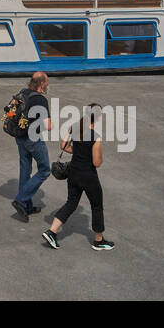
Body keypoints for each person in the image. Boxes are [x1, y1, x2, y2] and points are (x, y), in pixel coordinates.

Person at [43, 103, 115, 250]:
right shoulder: (96, 137)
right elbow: (96, 162)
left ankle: (52, 232)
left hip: (73, 172)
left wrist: (77, 153)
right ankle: (98, 241)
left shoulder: (74, 127)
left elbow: (64, 146)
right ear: (99, 117)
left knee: (71, 203)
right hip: (88, 176)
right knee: (97, 206)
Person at [11, 72, 51, 221]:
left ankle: (26, 206)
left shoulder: (24, 92)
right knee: (45, 170)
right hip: (33, 139)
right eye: (47, 82)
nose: (47, 84)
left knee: (25, 168)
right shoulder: (40, 99)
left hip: (20, 136)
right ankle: (21, 199)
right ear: (41, 84)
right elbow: (48, 126)